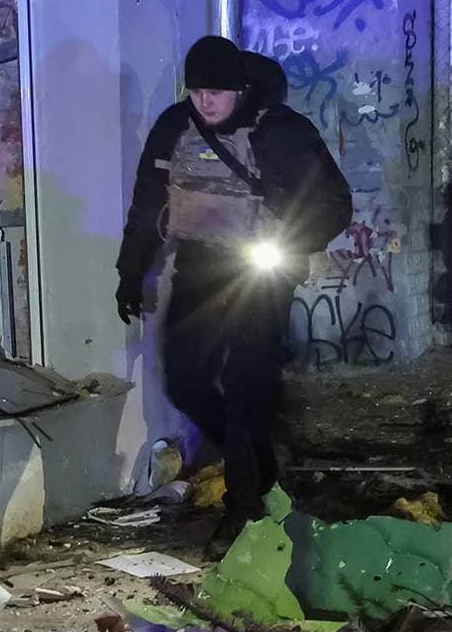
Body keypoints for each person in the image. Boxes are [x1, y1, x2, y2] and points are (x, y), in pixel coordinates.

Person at [117, 36, 353, 556]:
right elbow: (147, 200)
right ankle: (259, 461)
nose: (206, 102)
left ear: (240, 89)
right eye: (198, 90)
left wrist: (294, 238)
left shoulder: (281, 131)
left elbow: (336, 203)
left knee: (248, 383)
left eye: (217, 92)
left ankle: (243, 506)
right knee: (184, 378)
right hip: (202, 264)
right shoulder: (174, 128)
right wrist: (129, 272)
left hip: (262, 268)